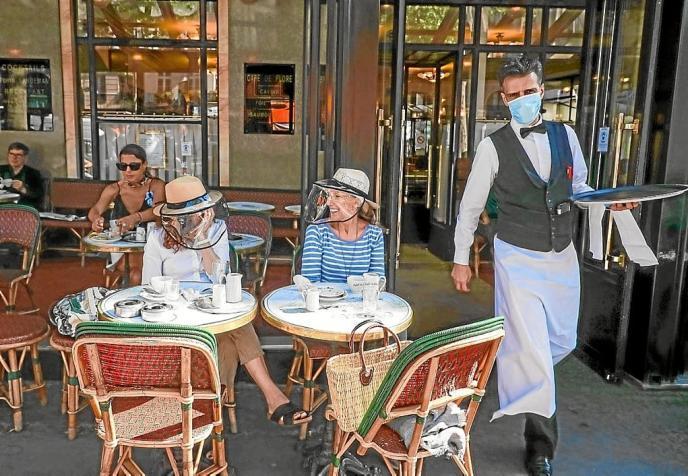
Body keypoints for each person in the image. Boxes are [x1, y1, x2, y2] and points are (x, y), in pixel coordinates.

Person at [450, 55, 637, 476]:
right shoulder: (491, 146)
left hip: (561, 259)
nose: (522, 100)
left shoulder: (565, 135)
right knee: (533, 349)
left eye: (528, 92)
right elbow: (469, 208)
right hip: (517, 259)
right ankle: (540, 448)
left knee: (558, 341)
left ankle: (525, 385)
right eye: (513, 95)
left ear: (541, 90)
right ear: (503, 98)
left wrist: (611, 202)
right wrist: (461, 260)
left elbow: (581, 189)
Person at [142, 175, 310, 427]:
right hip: (176, 313)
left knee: (234, 329)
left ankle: (207, 413)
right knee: (231, 340)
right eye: (190, 214)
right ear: (174, 217)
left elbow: (217, 276)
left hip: (211, 308)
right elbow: (149, 284)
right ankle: (255, 401)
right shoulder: (156, 237)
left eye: (200, 212)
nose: (197, 218)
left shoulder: (216, 230)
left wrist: (202, 241)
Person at [88, 144, 165, 285]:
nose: (128, 171)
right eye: (123, 166)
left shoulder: (156, 186)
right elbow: (95, 209)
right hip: (122, 246)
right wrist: (96, 219)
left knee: (136, 274)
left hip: (151, 244)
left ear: (144, 165)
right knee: (135, 274)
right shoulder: (114, 188)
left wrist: (135, 218)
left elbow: (158, 210)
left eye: (134, 166)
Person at [301, 167, 385, 282]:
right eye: (329, 195)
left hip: (362, 300)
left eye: (337, 196)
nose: (329, 202)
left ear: (356, 202)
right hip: (323, 299)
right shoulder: (316, 232)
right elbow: (309, 284)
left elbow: (377, 282)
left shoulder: (374, 235)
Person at [0, 142, 44, 209]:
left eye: (18, 155)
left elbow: (39, 196)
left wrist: (23, 189)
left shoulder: (33, 173)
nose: (14, 158)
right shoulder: (1, 170)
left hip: (24, 209)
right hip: (2, 207)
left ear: (25, 158)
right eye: (11, 154)